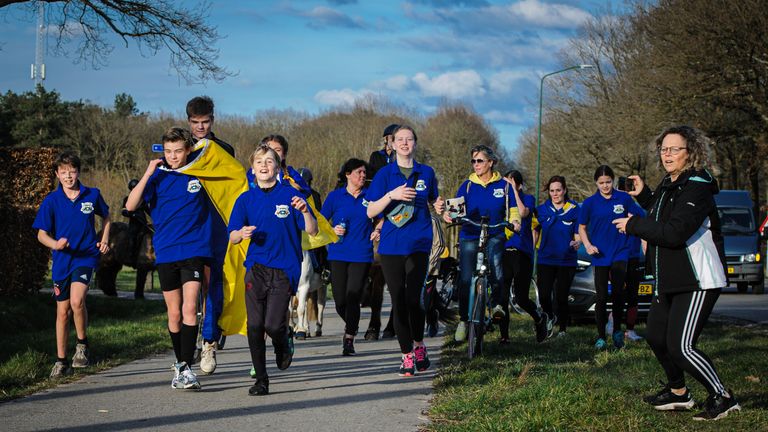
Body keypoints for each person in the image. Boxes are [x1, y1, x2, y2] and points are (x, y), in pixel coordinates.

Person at [613, 125, 740, 421]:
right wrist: (644, 195)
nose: (667, 155)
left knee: (681, 347)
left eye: (675, 149)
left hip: (697, 279)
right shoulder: (672, 184)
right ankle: (678, 392)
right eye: (664, 149)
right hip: (669, 278)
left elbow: (674, 232)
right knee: (656, 337)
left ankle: (722, 396)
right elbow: (662, 214)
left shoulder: (697, 186)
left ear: (690, 152)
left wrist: (633, 225)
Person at [125, 127, 211, 390]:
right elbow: (130, 206)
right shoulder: (156, 178)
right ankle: (180, 363)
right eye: (168, 151)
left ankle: (185, 368)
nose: (173, 156)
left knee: (189, 309)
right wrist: (148, 173)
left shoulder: (201, 172)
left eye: (178, 151)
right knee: (173, 314)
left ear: (188, 151)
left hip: (194, 250)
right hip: (166, 252)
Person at [228, 145, 318, 396]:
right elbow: (233, 236)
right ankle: (262, 380)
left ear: (278, 168)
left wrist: (304, 211)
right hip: (256, 268)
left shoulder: (290, 195)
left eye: (270, 161)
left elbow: (311, 230)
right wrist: (240, 233)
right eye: (259, 162)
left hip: (285, 269)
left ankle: (283, 343)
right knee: (255, 325)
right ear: (253, 168)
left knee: (273, 326)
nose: (264, 165)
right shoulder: (245, 199)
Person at [366, 125, 444, 377]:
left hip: (419, 242)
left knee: (414, 299)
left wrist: (440, 205)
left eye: (409, 139)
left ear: (415, 143)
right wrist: (392, 194)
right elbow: (370, 211)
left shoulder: (427, 173)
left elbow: (434, 200)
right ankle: (406, 355)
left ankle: (419, 345)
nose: (404, 143)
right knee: (398, 299)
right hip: (391, 245)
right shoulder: (384, 174)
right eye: (400, 139)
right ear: (392, 144)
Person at [33, 151, 111, 378]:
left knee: (77, 302)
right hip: (62, 260)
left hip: (86, 256)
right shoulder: (51, 201)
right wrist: (55, 244)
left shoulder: (92, 194)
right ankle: (61, 361)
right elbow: (41, 234)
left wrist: (104, 239)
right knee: (62, 311)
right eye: (64, 172)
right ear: (57, 174)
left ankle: (82, 345)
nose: (69, 176)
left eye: (72, 171)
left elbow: (106, 217)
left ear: (78, 172)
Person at [186, 96, 234, 375]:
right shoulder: (182, 149)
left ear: (212, 120)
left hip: (217, 226)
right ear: (189, 121)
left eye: (205, 122)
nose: (201, 127)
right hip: (189, 226)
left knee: (213, 283)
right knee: (189, 289)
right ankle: (192, 336)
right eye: (195, 123)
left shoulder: (225, 149)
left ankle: (209, 342)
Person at [442, 145, 508, 344]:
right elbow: (454, 210)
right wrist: (448, 216)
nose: (475, 165)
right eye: (473, 161)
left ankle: (497, 306)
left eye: (479, 161)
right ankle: (464, 319)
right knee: (465, 278)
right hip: (470, 234)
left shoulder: (503, 186)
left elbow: (511, 209)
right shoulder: (467, 185)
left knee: (497, 269)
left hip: (495, 233)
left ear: (490, 162)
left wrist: (514, 222)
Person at [578, 165, 639, 350]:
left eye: (608, 182)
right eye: (601, 183)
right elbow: (581, 227)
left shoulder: (623, 198)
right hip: (600, 254)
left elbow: (635, 218)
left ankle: (618, 331)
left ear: (613, 181)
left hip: (621, 251)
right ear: (596, 183)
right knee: (602, 296)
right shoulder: (589, 203)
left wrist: (631, 220)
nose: (605, 186)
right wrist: (588, 245)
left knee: (619, 293)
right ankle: (601, 336)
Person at [321, 158, 375, 356]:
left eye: (364, 173)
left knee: (353, 297)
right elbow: (320, 221)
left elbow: (383, 217)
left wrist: (377, 229)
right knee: (339, 301)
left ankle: (349, 338)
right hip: (338, 253)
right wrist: (332, 229)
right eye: (359, 172)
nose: (363, 176)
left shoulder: (371, 195)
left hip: (362, 253)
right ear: (347, 174)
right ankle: (352, 323)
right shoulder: (335, 197)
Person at [500, 170, 550, 343]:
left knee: (521, 298)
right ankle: (504, 336)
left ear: (519, 185)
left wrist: (514, 191)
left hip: (523, 252)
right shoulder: (501, 200)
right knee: (502, 296)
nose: (507, 187)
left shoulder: (528, 199)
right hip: (504, 251)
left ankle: (539, 318)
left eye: (511, 184)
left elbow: (522, 213)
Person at [533, 175, 580, 337]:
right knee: (545, 295)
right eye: (552, 191)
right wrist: (531, 247)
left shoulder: (574, 209)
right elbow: (535, 230)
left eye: (558, 190)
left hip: (566, 260)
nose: (555, 194)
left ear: (564, 190)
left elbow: (579, 232)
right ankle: (550, 318)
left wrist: (577, 242)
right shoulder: (541, 210)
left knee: (561, 296)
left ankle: (563, 330)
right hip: (545, 259)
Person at [121, 178, 152, 299]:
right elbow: (123, 211)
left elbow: (149, 211)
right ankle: (132, 255)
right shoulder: (127, 199)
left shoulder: (143, 200)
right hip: (134, 225)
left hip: (143, 224)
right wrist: (131, 213)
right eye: (133, 188)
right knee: (133, 238)